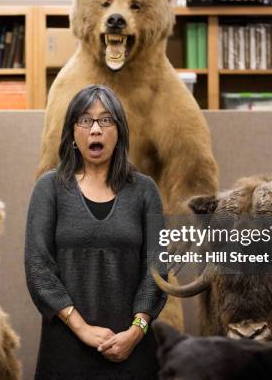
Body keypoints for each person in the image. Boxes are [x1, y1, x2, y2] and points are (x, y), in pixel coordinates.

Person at [25, 84, 167, 379]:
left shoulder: (144, 191)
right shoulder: (49, 188)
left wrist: (136, 332)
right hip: (66, 353)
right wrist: (82, 328)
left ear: (119, 132)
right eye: (85, 120)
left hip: (132, 353)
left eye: (106, 120)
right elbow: (38, 268)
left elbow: (157, 269)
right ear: (73, 132)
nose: (95, 130)